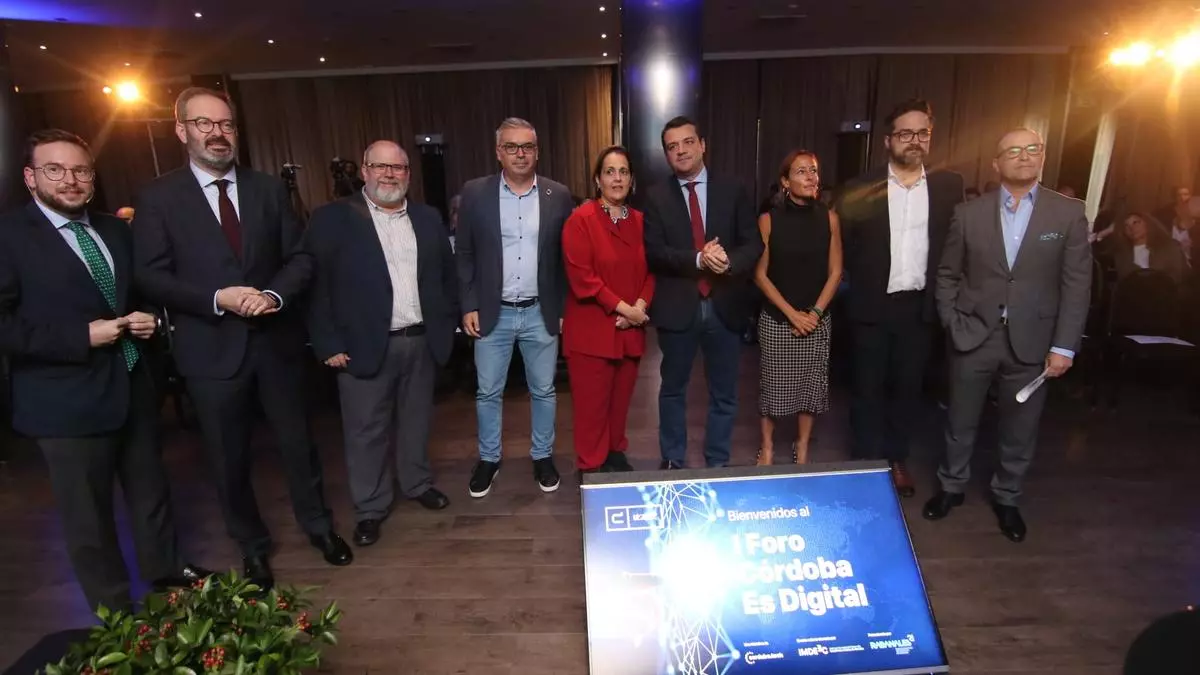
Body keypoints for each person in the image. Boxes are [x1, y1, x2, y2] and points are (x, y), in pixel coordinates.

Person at [133, 87, 351, 589]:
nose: (218, 133)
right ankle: (252, 547)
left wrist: (273, 295)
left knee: (300, 445)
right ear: (181, 130)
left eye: (226, 124)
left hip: (275, 343)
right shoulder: (158, 197)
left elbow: (301, 258)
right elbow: (150, 275)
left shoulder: (267, 189)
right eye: (204, 123)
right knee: (227, 458)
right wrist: (218, 298)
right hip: (210, 351)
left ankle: (320, 528)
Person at [0, 129, 207, 611]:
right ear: (30, 178)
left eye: (80, 170)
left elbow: (138, 294)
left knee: (151, 490)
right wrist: (80, 337)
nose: (70, 180)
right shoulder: (7, 237)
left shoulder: (115, 230)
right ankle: (115, 609)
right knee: (88, 516)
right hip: (64, 403)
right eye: (55, 170)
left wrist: (148, 318)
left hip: (132, 384)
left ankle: (166, 568)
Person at [927, 127, 1091, 543]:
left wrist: (1064, 345)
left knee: (1021, 427)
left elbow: (1077, 285)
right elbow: (947, 274)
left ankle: (1007, 496)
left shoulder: (1068, 213)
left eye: (1032, 148)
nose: (1024, 155)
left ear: (1042, 157)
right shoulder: (969, 213)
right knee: (960, 419)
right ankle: (951, 486)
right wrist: (951, 320)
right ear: (996, 163)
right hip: (973, 334)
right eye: (1013, 150)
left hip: (1034, 340)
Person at [306, 140, 456, 547]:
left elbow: (445, 276)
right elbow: (316, 286)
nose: (389, 175)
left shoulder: (427, 217)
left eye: (398, 168)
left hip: (420, 339)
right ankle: (370, 507)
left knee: (416, 421)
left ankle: (417, 483)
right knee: (365, 431)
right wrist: (326, 342)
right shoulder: (332, 219)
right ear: (365, 171)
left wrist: (448, 323)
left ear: (408, 174)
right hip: (361, 344)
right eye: (380, 167)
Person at [836, 99, 964, 496]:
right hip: (872, 305)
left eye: (922, 133)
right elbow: (847, 247)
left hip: (920, 307)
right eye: (905, 133)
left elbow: (954, 245)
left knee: (908, 391)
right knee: (866, 389)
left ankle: (896, 460)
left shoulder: (948, 186)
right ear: (888, 141)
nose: (915, 140)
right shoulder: (859, 187)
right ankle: (864, 463)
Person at [456, 118, 575, 498]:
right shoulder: (475, 193)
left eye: (527, 147)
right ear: (498, 152)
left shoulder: (558, 194)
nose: (520, 154)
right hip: (494, 312)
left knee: (544, 390)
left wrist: (563, 306)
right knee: (488, 392)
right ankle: (489, 459)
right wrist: (469, 303)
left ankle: (543, 456)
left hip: (541, 310)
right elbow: (465, 253)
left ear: (537, 152)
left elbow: (565, 258)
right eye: (511, 147)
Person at [643, 116, 763, 469]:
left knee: (724, 393)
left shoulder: (733, 188)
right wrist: (698, 259)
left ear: (703, 145)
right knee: (672, 389)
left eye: (687, 142)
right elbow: (654, 252)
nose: (681, 150)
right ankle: (672, 459)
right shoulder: (655, 196)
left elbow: (753, 243)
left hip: (725, 305)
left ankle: (717, 462)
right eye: (672, 146)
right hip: (678, 307)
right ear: (666, 154)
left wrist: (727, 263)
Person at [562, 146, 655, 474]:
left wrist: (639, 306)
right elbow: (582, 278)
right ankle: (591, 468)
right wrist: (627, 310)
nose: (617, 178)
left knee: (620, 403)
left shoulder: (641, 222)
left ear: (631, 179)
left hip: (630, 330)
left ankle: (615, 453)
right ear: (597, 179)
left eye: (623, 172)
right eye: (610, 172)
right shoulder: (580, 220)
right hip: (593, 330)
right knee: (592, 408)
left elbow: (652, 271)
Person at [753, 150, 843, 465]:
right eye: (801, 171)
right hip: (779, 319)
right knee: (772, 389)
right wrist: (793, 315)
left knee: (810, 391)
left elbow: (836, 272)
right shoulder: (768, 220)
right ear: (785, 181)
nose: (810, 176)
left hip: (817, 319)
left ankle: (801, 445)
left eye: (813, 170)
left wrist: (814, 314)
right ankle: (767, 446)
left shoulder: (830, 218)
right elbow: (760, 275)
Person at [1111, 211, 1188, 285]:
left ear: (1147, 223)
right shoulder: (1121, 256)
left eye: (1135, 222)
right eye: (1126, 225)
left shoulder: (1169, 247)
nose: (1131, 228)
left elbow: (1181, 276)